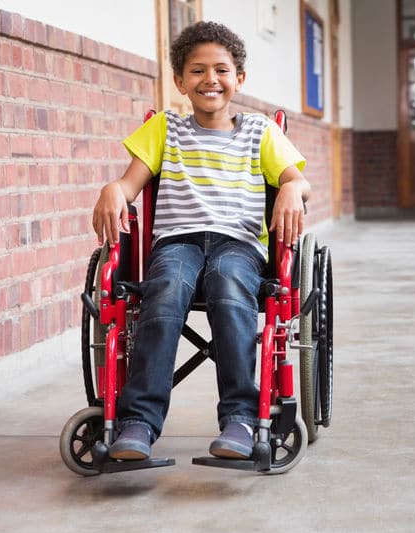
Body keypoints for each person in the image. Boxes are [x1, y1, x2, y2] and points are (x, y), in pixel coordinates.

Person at [91, 21, 310, 461]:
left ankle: (241, 419)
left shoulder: (261, 131)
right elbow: (128, 186)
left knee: (230, 288)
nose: (210, 79)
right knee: (165, 291)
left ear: (239, 79)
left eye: (222, 70)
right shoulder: (165, 130)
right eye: (197, 71)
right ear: (179, 82)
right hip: (178, 242)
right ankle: (137, 423)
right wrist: (112, 190)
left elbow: (298, 181)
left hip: (239, 246)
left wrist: (290, 187)